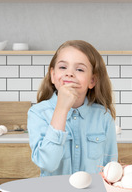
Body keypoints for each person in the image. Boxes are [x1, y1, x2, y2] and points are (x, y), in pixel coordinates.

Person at [27, 40, 118, 177]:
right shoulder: (38, 113)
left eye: (80, 69)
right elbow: (48, 164)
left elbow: (111, 168)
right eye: (63, 67)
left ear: (92, 81)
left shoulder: (103, 116)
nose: (69, 74)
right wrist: (62, 109)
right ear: (52, 75)